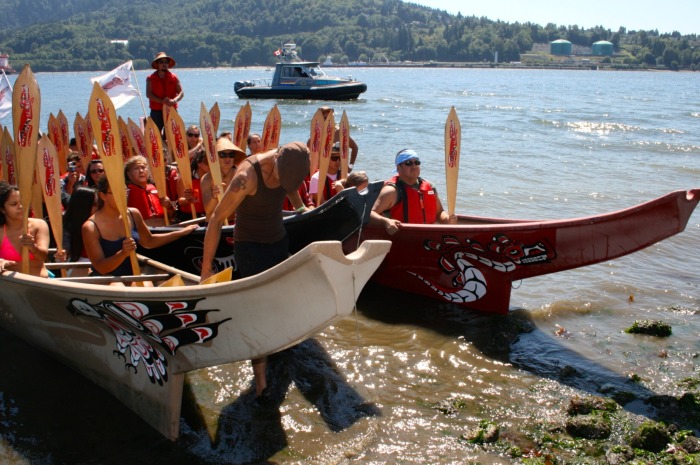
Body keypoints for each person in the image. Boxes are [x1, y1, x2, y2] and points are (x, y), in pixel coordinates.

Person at [200, 141, 309, 402]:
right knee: (257, 310)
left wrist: (303, 210)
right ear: (276, 163)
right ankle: (261, 383)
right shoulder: (245, 178)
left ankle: (279, 346)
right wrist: (206, 271)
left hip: (278, 240)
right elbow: (215, 220)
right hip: (249, 247)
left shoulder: (291, 167)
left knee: (282, 300)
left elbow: (292, 188)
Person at [82, 176, 197, 285]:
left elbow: (149, 241)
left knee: (147, 286)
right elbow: (101, 267)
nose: (123, 196)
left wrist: (180, 233)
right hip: (106, 279)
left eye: (125, 191)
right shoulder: (90, 227)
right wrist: (123, 254)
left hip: (132, 275)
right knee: (118, 287)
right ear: (103, 196)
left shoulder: (133, 213)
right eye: (117, 192)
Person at [370, 149, 457, 235]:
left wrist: (446, 219)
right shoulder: (391, 191)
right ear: (398, 167)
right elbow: (370, 214)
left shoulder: (430, 187)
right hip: (403, 237)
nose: (414, 166)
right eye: (408, 163)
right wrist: (385, 221)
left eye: (417, 162)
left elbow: (439, 212)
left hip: (429, 237)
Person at [0, 181, 51, 277]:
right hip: (10, 288)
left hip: (40, 285)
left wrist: (33, 247)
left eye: (23, 202)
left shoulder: (39, 224)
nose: (20, 207)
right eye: (14, 204)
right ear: (2, 209)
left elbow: (43, 256)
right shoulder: (1, 231)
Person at [200, 137, 246, 221]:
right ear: (216, 158)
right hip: (214, 223)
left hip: (235, 223)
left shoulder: (241, 176)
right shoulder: (207, 179)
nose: (227, 159)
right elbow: (208, 210)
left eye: (231, 155)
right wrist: (214, 197)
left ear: (234, 157)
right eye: (222, 155)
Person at [125, 155, 174, 227]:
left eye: (143, 167)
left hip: (166, 229)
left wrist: (169, 206)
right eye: (136, 168)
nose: (141, 171)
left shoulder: (156, 189)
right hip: (144, 233)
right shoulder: (126, 193)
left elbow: (172, 215)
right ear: (128, 174)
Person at [58, 186, 98, 276]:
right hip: (79, 265)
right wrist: (62, 254)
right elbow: (65, 249)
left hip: (102, 265)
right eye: (95, 204)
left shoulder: (103, 222)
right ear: (84, 205)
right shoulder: (69, 226)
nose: (99, 207)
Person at [146, 52, 183, 134]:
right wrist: (162, 101)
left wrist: (174, 100)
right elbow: (149, 94)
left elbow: (181, 93)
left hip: (171, 109)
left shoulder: (174, 77)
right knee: (156, 134)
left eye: (166, 62)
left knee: (172, 134)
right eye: (161, 62)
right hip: (156, 111)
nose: (164, 64)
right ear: (157, 64)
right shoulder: (150, 78)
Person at [176, 148, 209, 221]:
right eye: (207, 162)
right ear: (199, 163)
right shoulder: (185, 178)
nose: (210, 165)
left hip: (207, 216)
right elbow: (180, 200)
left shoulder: (212, 179)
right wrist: (188, 200)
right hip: (188, 218)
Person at [309, 142, 341, 206]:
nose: (338, 161)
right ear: (326, 159)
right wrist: (341, 192)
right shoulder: (316, 178)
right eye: (334, 158)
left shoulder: (346, 176)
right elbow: (321, 204)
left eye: (340, 158)